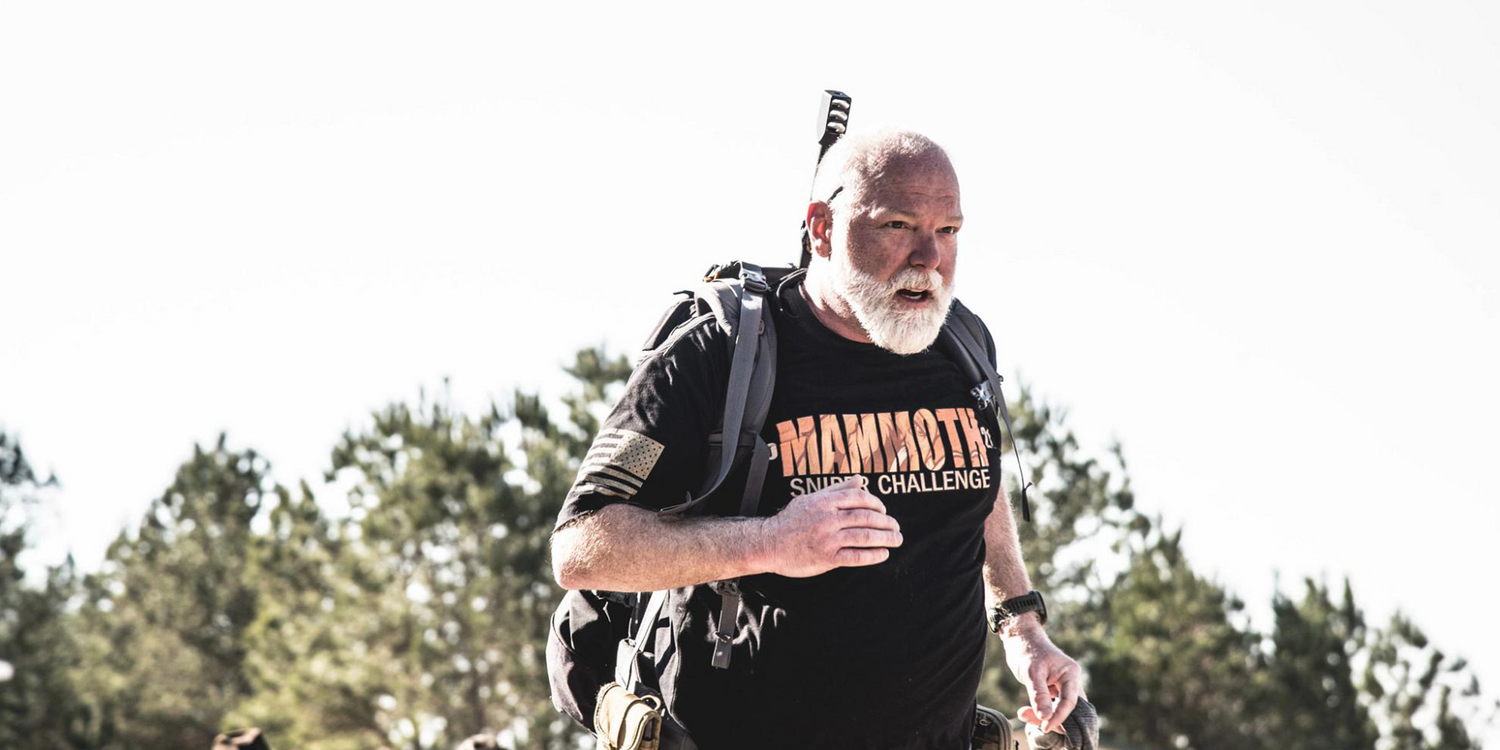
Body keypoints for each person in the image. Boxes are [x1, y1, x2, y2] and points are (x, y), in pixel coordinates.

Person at [550, 130, 1084, 749]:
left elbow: (977, 488)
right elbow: (583, 547)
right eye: (898, 226)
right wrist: (769, 541)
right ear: (823, 228)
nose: (928, 258)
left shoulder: (962, 345)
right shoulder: (716, 356)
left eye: (949, 231)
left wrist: (1022, 629)